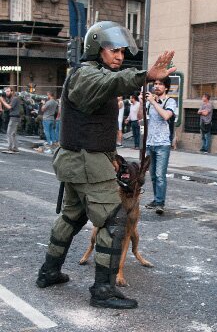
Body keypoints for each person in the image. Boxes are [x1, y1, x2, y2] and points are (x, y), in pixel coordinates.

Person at [35, 21, 176, 310]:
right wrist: (145, 76)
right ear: (96, 48)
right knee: (114, 221)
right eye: (113, 50)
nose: (120, 56)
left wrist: (111, 156)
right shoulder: (88, 75)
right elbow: (111, 83)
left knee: (72, 217)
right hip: (85, 161)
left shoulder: (91, 73)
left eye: (123, 51)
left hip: (80, 159)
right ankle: (103, 290)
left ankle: (49, 272)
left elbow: (97, 116)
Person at [143, 77, 176, 215]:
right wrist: (142, 102)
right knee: (153, 176)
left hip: (163, 144)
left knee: (160, 175)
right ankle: (156, 200)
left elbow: (166, 116)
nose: (157, 86)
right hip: (150, 143)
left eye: (160, 84)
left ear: (166, 87)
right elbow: (142, 118)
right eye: (155, 84)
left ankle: (160, 203)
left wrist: (153, 102)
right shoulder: (150, 102)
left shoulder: (170, 101)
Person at [0, 87, 20, 153]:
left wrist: (2, 101)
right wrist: (2, 101)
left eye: (8, 91)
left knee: (9, 133)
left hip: (14, 118)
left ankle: (10, 148)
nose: (6, 93)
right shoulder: (13, 98)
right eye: (6, 91)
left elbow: (9, 107)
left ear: (12, 91)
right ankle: (15, 148)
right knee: (13, 134)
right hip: (14, 117)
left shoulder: (14, 98)